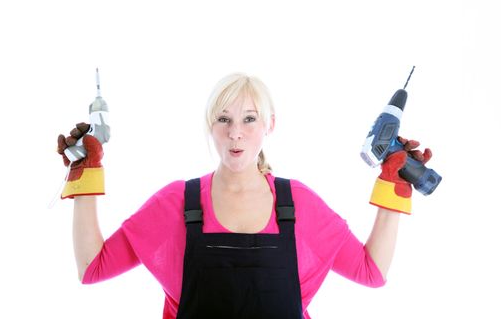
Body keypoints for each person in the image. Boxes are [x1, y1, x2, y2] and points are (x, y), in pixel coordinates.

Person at [57, 73, 433, 319]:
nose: (236, 133)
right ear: (211, 125)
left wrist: (394, 183)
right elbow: (93, 268)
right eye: (224, 119)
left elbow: (372, 271)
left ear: (270, 124)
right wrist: (85, 172)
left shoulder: (298, 205)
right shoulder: (177, 203)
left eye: (249, 119)